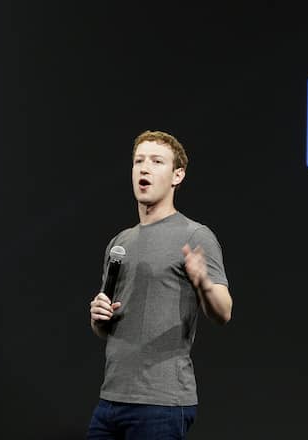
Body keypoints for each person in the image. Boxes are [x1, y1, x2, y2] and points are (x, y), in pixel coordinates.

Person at [86, 130, 232, 439]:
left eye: (156, 161)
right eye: (139, 161)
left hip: (161, 404)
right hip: (111, 399)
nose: (144, 168)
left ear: (177, 175)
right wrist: (98, 316)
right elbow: (104, 329)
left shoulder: (195, 235)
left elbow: (224, 312)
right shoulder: (120, 242)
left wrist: (203, 283)